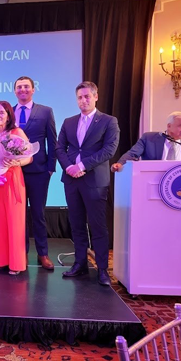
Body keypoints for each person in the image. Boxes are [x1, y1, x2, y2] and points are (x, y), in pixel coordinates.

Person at [55, 81, 119, 286]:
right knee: (77, 224)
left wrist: (81, 166)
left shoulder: (109, 121)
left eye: (87, 96)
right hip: (71, 180)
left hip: (94, 181)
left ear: (96, 97)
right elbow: (59, 148)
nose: (83, 100)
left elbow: (109, 150)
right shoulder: (69, 122)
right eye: (80, 97)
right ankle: (80, 264)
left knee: (98, 227)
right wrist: (68, 167)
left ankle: (102, 269)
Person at [0, 101, 32, 275]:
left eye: (2, 112)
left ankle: (16, 264)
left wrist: (18, 161)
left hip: (13, 181)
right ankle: (0, 260)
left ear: (9, 115)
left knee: (15, 222)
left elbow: (29, 157)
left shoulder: (17, 133)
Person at [12, 76, 57, 270]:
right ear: (15, 91)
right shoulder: (9, 112)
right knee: (18, 215)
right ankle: (20, 253)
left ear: (33, 89)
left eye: (26, 87)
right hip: (14, 171)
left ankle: (43, 254)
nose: (23, 90)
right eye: (19, 87)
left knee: (38, 214)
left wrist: (50, 168)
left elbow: (52, 141)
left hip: (39, 172)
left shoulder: (45, 111)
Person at [111, 111, 181, 172]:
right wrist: (120, 163)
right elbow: (132, 154)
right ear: (169, 126)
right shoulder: (149, 138)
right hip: (152, 182)